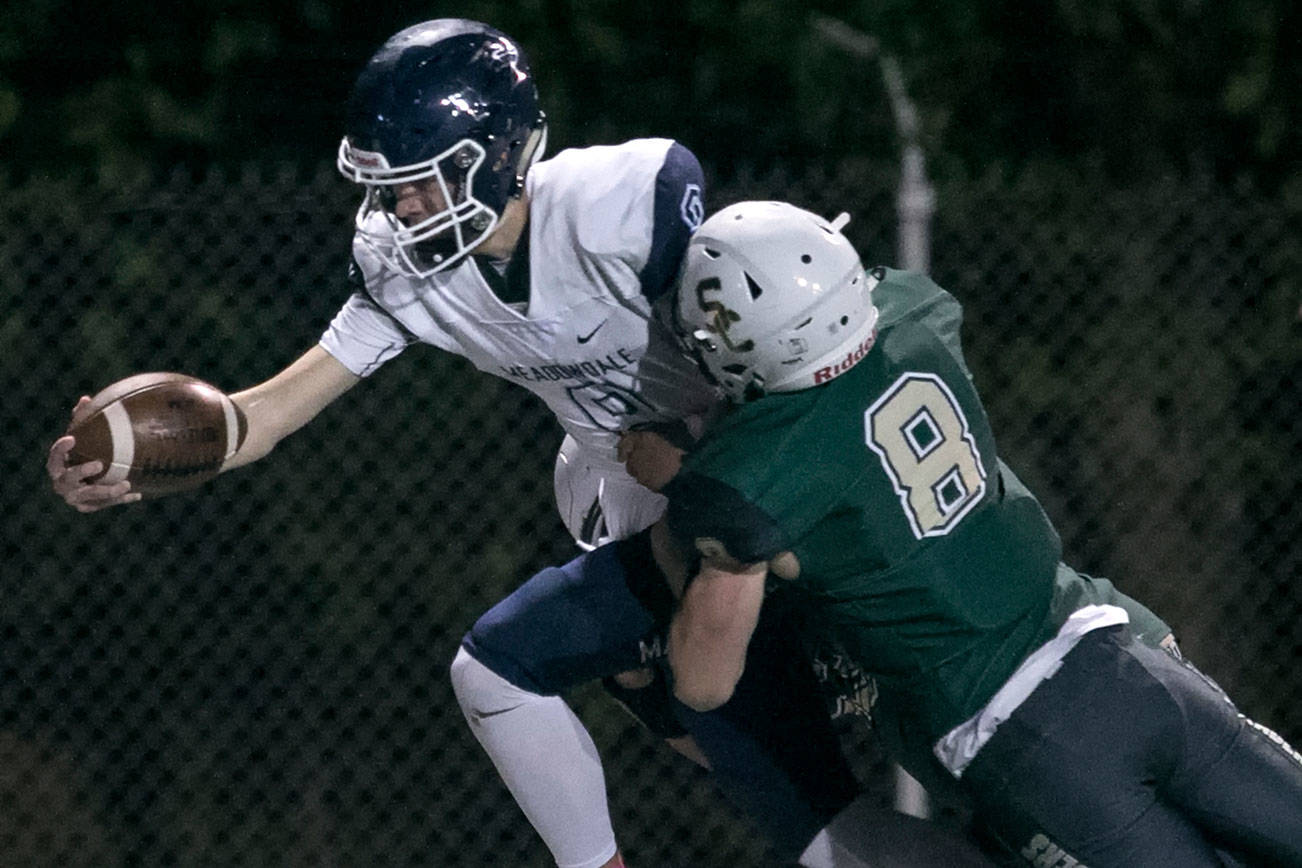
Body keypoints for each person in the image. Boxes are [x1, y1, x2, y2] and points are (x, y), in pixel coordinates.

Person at [46, 20, 997, 868]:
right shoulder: (409, 272)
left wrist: (716, 473)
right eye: (385, 187)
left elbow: (763, 357)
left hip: (767, 484)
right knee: (785, 797)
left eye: (416, 183)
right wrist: (130, 464)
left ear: (495, 155)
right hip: (641, 503)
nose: (397, 211)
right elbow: (265, 414)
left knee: (901, 749)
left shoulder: (619, 202)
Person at [641, 199, 1302, 866]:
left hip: (1023, 739)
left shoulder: (754, 471)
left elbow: (704, 683)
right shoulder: (913, 309)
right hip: (1116, 660)